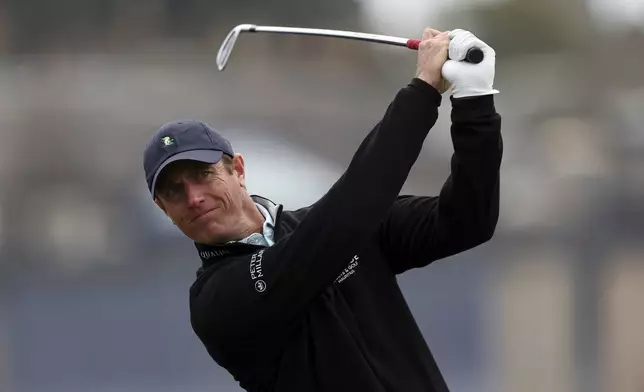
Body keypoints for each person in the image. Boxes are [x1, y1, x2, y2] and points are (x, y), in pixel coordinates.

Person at [142, 27, 502, 392]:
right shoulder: (216, 301)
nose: (194, 197)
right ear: (162, 208)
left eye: (203, 175)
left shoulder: (324, 227)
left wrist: (475, 102)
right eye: (174, 191)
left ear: (237, 169)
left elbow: (467, 220)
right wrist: (422, 90)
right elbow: (339, 227)